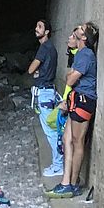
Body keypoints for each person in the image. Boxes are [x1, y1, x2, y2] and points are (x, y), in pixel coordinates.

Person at [46, 22, 99, 199]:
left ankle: (73, 183)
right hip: (76, 99)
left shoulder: (85, 55)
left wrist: (71, 76)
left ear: (84, 37)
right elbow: (70, 77)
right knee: (67, 139)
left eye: (80, 29)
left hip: (83, 101)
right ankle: (65, 182)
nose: (76, 29)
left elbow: (69, 79)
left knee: (77, 141)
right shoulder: (80, 53)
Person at [28, 19, 63, 176]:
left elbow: (31, 69)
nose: (36, 29)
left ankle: (58, 165)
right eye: (36, 26)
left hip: (44, 93)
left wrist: (35, 71)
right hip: (48, 91)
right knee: (52, 129)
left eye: (40, 27)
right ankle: (58, 163)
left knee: (50, 131)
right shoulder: (51, 49)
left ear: (47, 32)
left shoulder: (44, 48)